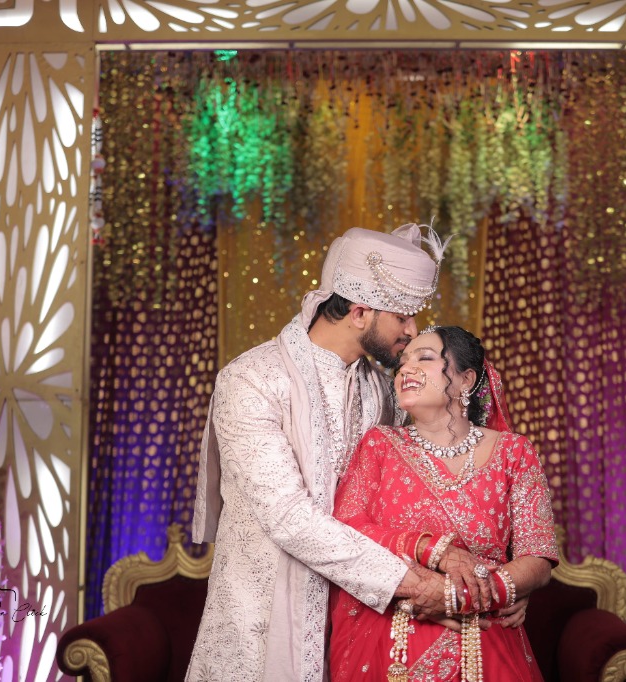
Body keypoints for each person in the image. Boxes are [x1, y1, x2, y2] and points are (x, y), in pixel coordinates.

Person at [186, 223, 457, 682]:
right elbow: (290, 517)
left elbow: (412, 497)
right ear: (359, 313)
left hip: (359, 624)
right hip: (260, 623)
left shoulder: (381, 392)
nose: (412, 333)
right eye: (403, 317)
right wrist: (413, 584)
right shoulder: (252, 379)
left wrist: (492, 582)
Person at [329, 325, 560, 681]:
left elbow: (538, 556)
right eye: (402, 362)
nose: (406, 369)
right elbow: (347, 528)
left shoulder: (514, 453)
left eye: (425, 358)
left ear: (466, 379)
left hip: (484, 637)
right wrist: (426, 552)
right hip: (391, 637)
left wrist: (462, 595)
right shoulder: (380, 445)